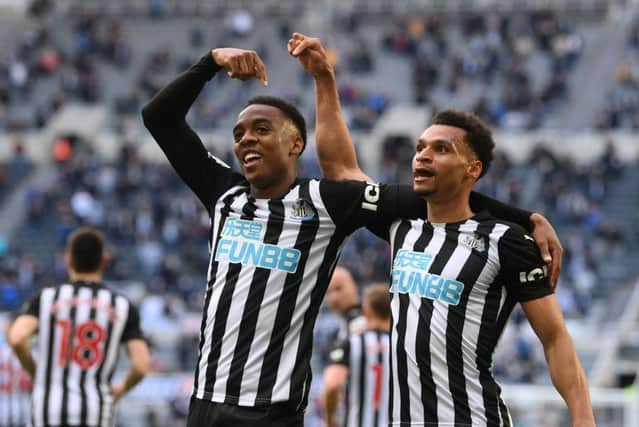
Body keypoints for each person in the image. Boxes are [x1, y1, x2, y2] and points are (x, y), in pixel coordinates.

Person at [142, 46, 561, 427]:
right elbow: (158, 117)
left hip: (271, 410)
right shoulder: (223, 195)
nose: (246, 139)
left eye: (262, 129)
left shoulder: (327, 201)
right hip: (204, 402)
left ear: (295, 144)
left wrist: (526, 219)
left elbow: (438, 195)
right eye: (238, 134)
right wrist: (210, 62)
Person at [290, 33, 595, 426]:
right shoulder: (402, 226)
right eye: (420, 147)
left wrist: (584, 419)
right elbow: (342, 172)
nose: (422, 156)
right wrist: (324, 81)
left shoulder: (505, 242)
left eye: (441, 149)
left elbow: (555, 340)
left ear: (473, 170)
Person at [7, 227, 150, 427]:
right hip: (95, 411)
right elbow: (141, 366)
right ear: (104, 261)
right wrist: (121, 388)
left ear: (68, 261)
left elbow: (16, 337)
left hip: (47, 410)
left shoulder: (46, 298)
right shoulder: (121, 306)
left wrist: (36, 373)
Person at [323, 284, 391, 427]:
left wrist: (329, 420)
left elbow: (332, 384)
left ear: (366, 311)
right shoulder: (401, 347)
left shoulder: (351, 343)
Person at [326, 266, 366, 341]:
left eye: (338, 288)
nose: (333, 298)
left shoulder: (371, 321)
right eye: (328, 293)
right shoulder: (338, 331)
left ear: (354, 286)